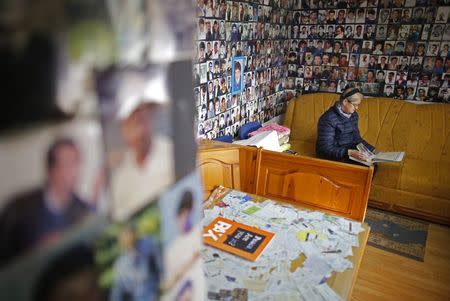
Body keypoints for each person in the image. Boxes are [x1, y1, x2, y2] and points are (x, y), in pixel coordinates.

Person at [0, 138, 91, 264]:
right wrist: (38, 251)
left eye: (76, 162)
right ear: (51, 170)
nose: (75, 171)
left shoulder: (84, 211)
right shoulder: (18, 210)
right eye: (67, 164)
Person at [111, 70, 174, 222]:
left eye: (143, 113)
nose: (139, 122)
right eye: (132, 116)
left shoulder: (172, 153)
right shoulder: (119, 173)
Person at [316, 88, 376, 164]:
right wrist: (349, 152)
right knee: (366, 167)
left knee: (374, 164)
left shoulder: (354, 115)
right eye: (355, 105)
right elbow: (325, 149)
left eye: (358, 105)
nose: (357, 108)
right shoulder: (328, 118)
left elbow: (357, 139)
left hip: (348, 153)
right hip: (332, 157)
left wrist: (373, 150)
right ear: (345, 102)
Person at [110, 226, 161, 301]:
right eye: (124, 237)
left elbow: (160, 265)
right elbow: (118, 290)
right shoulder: (121, 264)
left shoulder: (149, 245)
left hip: (155, 291)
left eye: (129, 235)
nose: (127, 239)